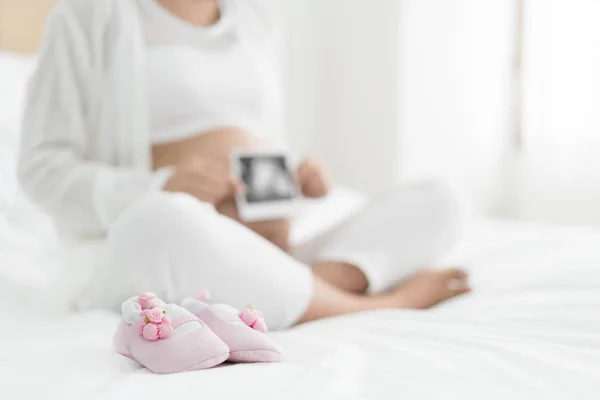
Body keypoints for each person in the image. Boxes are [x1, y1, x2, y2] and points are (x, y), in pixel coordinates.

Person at [19, 0, 471, 330]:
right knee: (159, 221)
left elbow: (260, 135)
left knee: (438, 201)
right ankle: (374, 305)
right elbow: (41, 168)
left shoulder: (256, 17)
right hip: (158, 241)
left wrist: (293, 184)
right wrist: (158, 187)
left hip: (261, 244)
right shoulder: (87, 16)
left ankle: (285, 287)